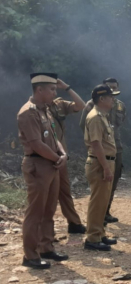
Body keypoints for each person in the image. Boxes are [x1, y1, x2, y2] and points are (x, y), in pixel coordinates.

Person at [17, 73, 69, 269]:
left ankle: (46, 247)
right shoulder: (27, 113)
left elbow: (55, 137)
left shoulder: (45, 110)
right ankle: (30, 255)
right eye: (52, 89)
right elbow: (36, 144)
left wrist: (62, 153)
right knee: (35, 212)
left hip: (52, 164)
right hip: (38, 165)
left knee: (49, 209)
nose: (55, 93)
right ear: (40, 90)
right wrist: (57, 158)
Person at [79, 78, 127, 223]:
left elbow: (119, 126)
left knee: (112, 182)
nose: (113, 92)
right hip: (99, 149)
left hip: (115, 148)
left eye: (114, 88)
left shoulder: (120, 106)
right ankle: (97, 223)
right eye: (109, 88)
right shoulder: (93, 107)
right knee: (100, 186)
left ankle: (105, 212)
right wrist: (94, 143)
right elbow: (84, 125)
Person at [83, 85, 120, 251]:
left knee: (103, 201)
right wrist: (106, 167)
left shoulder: (103, 116)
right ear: (102, 99)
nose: (113, 99)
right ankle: (92, 238)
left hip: (105, 162)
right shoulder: (96, 117)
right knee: (98, 202)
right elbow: (96, 144)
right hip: (100, 163)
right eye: (111, 97)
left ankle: (100, 233)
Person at [48, 79, 86, 234]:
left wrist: (67, 87)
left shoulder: (59, 105)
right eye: (51, 89)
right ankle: (44, 232)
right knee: (47, 195)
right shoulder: (35, 109)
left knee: (65, 190)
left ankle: (74, 223)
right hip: (45, 157)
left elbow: (80, 105)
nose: (54, 92)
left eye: (55, 88)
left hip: (61, 157)